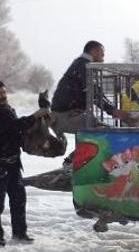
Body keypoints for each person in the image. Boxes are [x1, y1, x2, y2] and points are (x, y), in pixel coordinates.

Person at [0, 80, 42, 246]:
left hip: (12, 162)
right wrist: (35, 116)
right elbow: (14, 126)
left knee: (18, 198)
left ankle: (20, 233)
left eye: (4, 92)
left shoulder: (5, 108)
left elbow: (15, 128)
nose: (3, 95)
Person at [50, 40, 126, 173]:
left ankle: (73, 161)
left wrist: (112, 109)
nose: (103, 58)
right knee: (103, 132)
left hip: (68, 114)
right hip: (64, 116)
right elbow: (94, 93)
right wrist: (113, 111)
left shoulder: (82, 65)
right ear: (94, 52)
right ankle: (71, 162)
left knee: (99, 130)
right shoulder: (84, 66)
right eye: (102, 54)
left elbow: (95, 92)